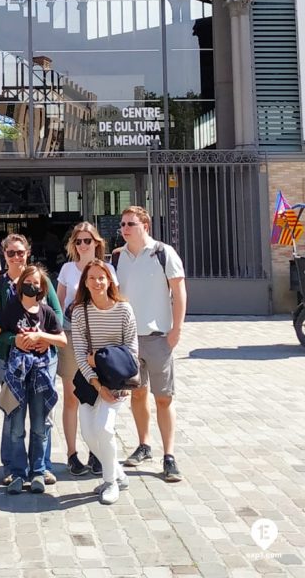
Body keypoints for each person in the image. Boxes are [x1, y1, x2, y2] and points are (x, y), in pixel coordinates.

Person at [114, 205, 187, 482]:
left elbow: (179, 291)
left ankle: (169, 456)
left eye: (130, 223)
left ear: (145, 224)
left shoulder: (163, 253)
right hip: (129, 339)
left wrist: (176, 330)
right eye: (122, 224)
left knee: (164, 397)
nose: (125, 229)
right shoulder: (119, 256)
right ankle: (144, 445)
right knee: (137, 393)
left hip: (158, 337)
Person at [0, 233, 63, 485]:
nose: (16, 257)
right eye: (11, 253)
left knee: (43, 415)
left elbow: (57, 317)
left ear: (27, 253)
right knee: (14, 412)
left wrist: (44, 339)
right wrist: (14, 340)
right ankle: (12, 466)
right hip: (9, 360)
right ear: (4, 255)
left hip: (43, 357)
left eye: (20, 252)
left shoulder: (41, 281)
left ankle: (42, 467)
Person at [72, 260, 137, 504]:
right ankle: (118, 473)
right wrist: (98, 383)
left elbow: (131, 351)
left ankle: (110, 483)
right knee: (89, 433)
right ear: (85, 283)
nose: (97, 282)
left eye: (102, 277)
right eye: (92, 278)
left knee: (105, 428)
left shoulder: (124, 310)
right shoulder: (80, 311)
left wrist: (99, 357)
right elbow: (80, 354)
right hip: (90, 381)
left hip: (118, 379)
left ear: (110, 280)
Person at [56, 221, 116, 476]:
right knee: (71, 398)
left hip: (101, 339)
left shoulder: (108, 268)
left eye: (87, 240)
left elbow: (116, 303)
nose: (82, 245)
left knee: (99, 396)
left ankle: (97, 452)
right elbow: (58, 305)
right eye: (78, 241)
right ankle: (72, 453)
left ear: (96, 243)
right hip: (71, 337)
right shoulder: (67, 269)